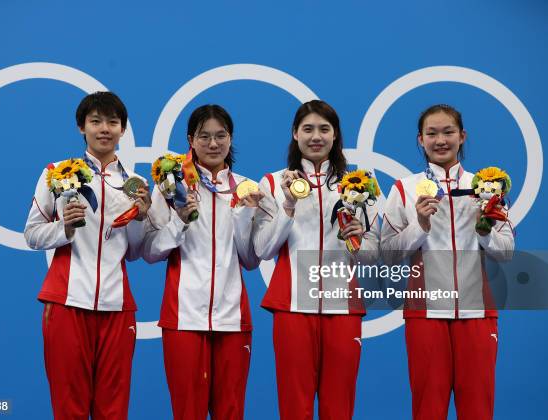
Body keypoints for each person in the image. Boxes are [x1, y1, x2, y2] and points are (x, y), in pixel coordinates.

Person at [380, 104, 514, 420]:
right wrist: (420, 226)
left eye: (448, 132)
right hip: (424, 314)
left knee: (478, 411)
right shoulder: (404, 188)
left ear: (462, 136)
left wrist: (484, 227)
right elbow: (388, 253)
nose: (441, 140)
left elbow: (506, 251)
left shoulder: (487, 187)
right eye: (432, 133)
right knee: (428, 410)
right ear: (420, 140)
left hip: (477, 312)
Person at [24, 91, 151, 420]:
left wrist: (141, 218)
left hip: (117, 307)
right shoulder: (59, 173)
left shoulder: (134, 184)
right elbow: (32, 234)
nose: (104, 129)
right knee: (70, 408)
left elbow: (137, 251)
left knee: (114, 410)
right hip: (67, 304)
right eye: (96, 121)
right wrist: (63, 230)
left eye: (112, 122)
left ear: (123, 129)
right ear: (82, 127)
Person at [252, 100, 380, 420]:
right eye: (307, 129)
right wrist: (289, 207)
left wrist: (356, 239)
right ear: (295, 134)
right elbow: (263, 250)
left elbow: (373, 257)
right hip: (292, 307)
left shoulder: (360, 186)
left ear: (336, 135)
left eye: (324, 129)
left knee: (339, 407)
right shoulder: (273, 183)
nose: (316, 136)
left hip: (342, 306)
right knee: (295, 406)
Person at [141, 104, 263, 420]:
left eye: (220, 136)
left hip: (233, 319)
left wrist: (247, 213)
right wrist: (179, 220)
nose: (213, 144)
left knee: (231, 412)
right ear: (190, 140)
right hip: (183, 319)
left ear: (230, 138)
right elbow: (151, 252)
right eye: (204, 136)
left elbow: (250, 260)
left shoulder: (246, 188)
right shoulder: (170, 186)